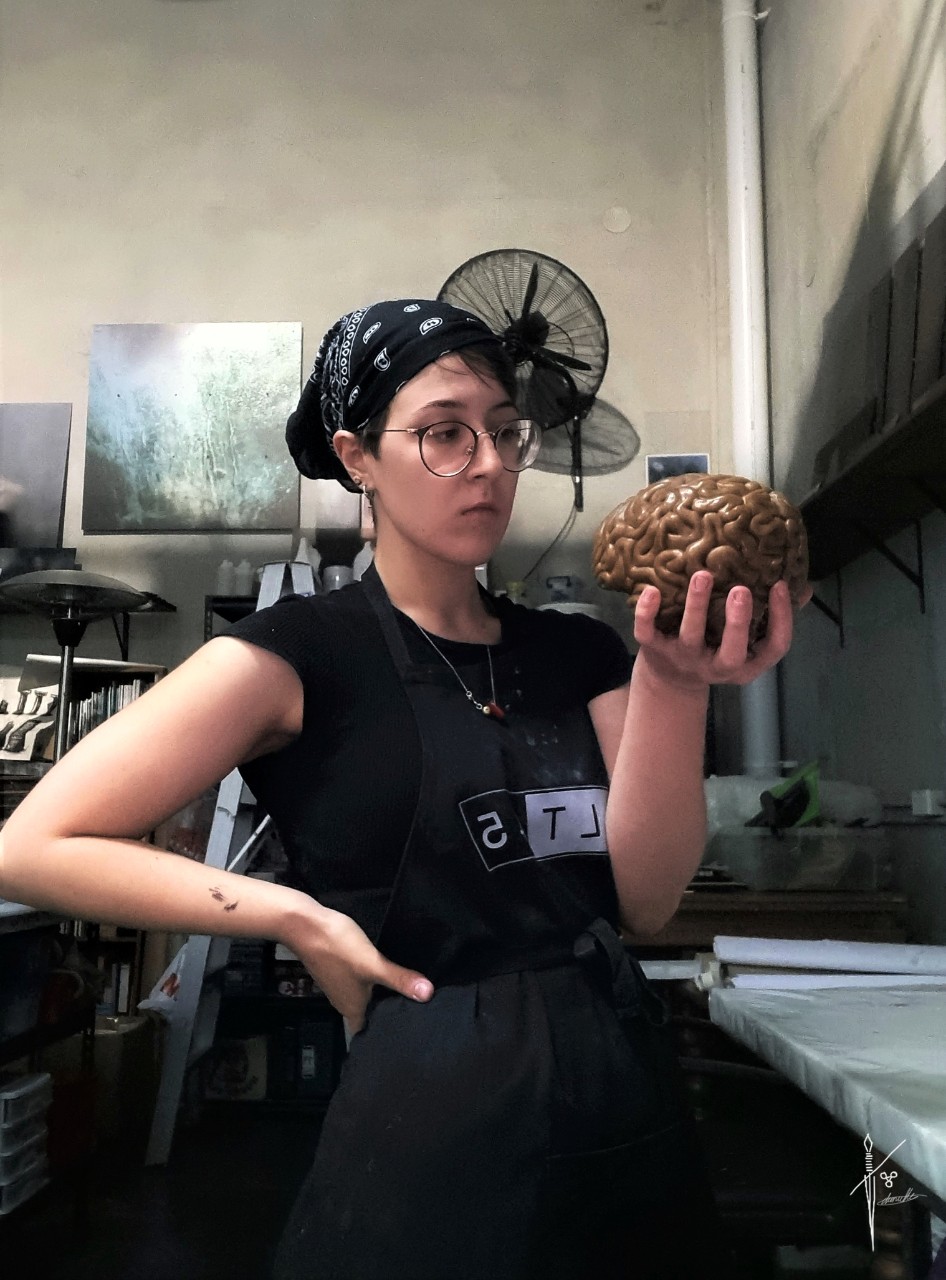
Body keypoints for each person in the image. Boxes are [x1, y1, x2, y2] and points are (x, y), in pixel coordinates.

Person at [0, 298, 807, 1279]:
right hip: (431, 1108)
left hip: (621, 1086)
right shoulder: (295, 656)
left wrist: (675, 683)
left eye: (505, 431)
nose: (490, 461)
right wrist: (293, 914)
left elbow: (641, 896)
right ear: (357, 456)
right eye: (442, 432)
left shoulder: (580, 650)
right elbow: (34, 843)